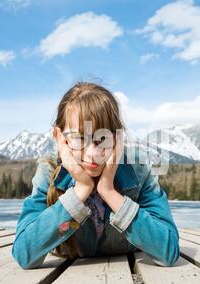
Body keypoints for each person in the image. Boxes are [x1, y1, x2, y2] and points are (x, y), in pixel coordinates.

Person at [12, 81, 180, 269]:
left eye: (102, 139)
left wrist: (109, 191)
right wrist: (81, 190)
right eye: (79, 138)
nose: (92, 153)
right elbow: (23, 254)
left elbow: (168, 251)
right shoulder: (49, 171)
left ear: (117, 138)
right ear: (60, 136)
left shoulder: (139, 170)